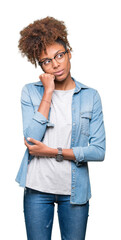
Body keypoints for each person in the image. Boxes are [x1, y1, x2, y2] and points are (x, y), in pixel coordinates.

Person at [15, 16, 106, 240]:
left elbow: (99, 151)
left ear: (69, 53)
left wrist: (52, 152)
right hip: (37, 189)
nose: (55, 64)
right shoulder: (31, 92)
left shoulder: (90, 96)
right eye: (46, 61)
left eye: (59, 56)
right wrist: (48, 92)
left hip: (74, 192)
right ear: (40, 66)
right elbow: (31, 140)